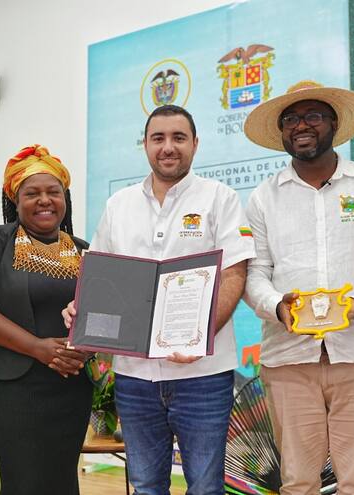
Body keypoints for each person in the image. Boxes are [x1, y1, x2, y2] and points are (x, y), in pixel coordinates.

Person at [64, 104, 255, 494]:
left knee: (204, 487)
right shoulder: (119, 205)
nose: (169, 147)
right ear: (145, 145)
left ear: (196, 144)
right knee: (147, 485)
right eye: (159, 138)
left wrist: (196, 336)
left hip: (203, 375)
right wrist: (81, 306)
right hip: (135, 377)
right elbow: (100, 276)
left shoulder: (220, 199)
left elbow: (235, 274)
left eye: (179, 138)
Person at [241, 80, 354, 495]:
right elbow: (255, 273)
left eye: (312, 116)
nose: (301, 126)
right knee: (298, 482)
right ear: (282, 131)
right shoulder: (264, 197)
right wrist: (277, 307)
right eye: (291, 119)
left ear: (334, 124)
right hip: (288, 359)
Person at [0, 145, 93, 495]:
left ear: (66, 198)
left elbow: (98, 316)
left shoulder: (84, 250)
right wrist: (39, 349)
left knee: (64, 481)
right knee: (24, 483)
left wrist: (84, 353)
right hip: (11, 386)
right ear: (14, 201)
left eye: (54, 192)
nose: (44, 200)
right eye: (31, 193)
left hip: (70, 385)